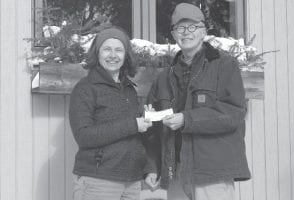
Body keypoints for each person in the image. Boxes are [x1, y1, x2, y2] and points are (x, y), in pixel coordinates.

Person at [145, 3, 251, 200]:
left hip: (212, 174)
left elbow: (234, 112)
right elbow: (152, 128)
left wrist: (187, 119)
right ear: (174, 34)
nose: (186, 33)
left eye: (192, 27)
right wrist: (152, 167)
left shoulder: (225, 65)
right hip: (176, 174)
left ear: (203, 32)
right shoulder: (163, 78)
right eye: (180, 28)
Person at [69, 26, 153, 200]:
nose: (113, 55)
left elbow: (135, 138)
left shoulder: (129, 89)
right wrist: (133, 124)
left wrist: (148, 168)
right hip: (99, 180)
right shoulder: (85, 88)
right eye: (107, 49)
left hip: (131, 182)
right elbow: (84, 136)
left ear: (125, 55)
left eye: (118, 50)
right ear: (97, 54)